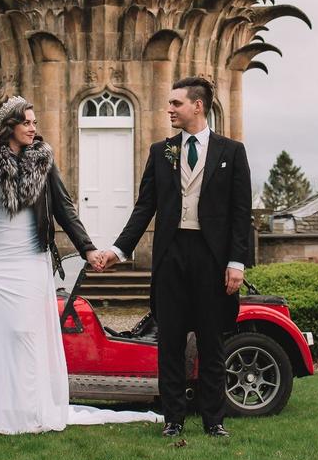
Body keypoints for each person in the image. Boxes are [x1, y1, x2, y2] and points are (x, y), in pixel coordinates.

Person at [0, 95, 162, 434]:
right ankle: (3, 413)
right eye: (26, 122)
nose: (33, 127)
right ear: (9, 126)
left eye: (34, 121)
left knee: (27, 333)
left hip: (31, 262)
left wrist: (87, 249)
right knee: (3, 337)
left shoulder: (44, 162)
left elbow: (65, 210)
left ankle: (32, 410)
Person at [98, 76, 252, 439]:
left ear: (197, 106)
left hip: (212, 259)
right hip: (171, 256)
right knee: (169, 341)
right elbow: (144, 208)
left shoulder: (231, 152)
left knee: (212, 342)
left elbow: (240, 212)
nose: (169, 109)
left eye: (175, 104)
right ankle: (173, 419)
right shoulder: (160, 151)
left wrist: (237, 262)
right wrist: (119, 250)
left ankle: (214, 420)